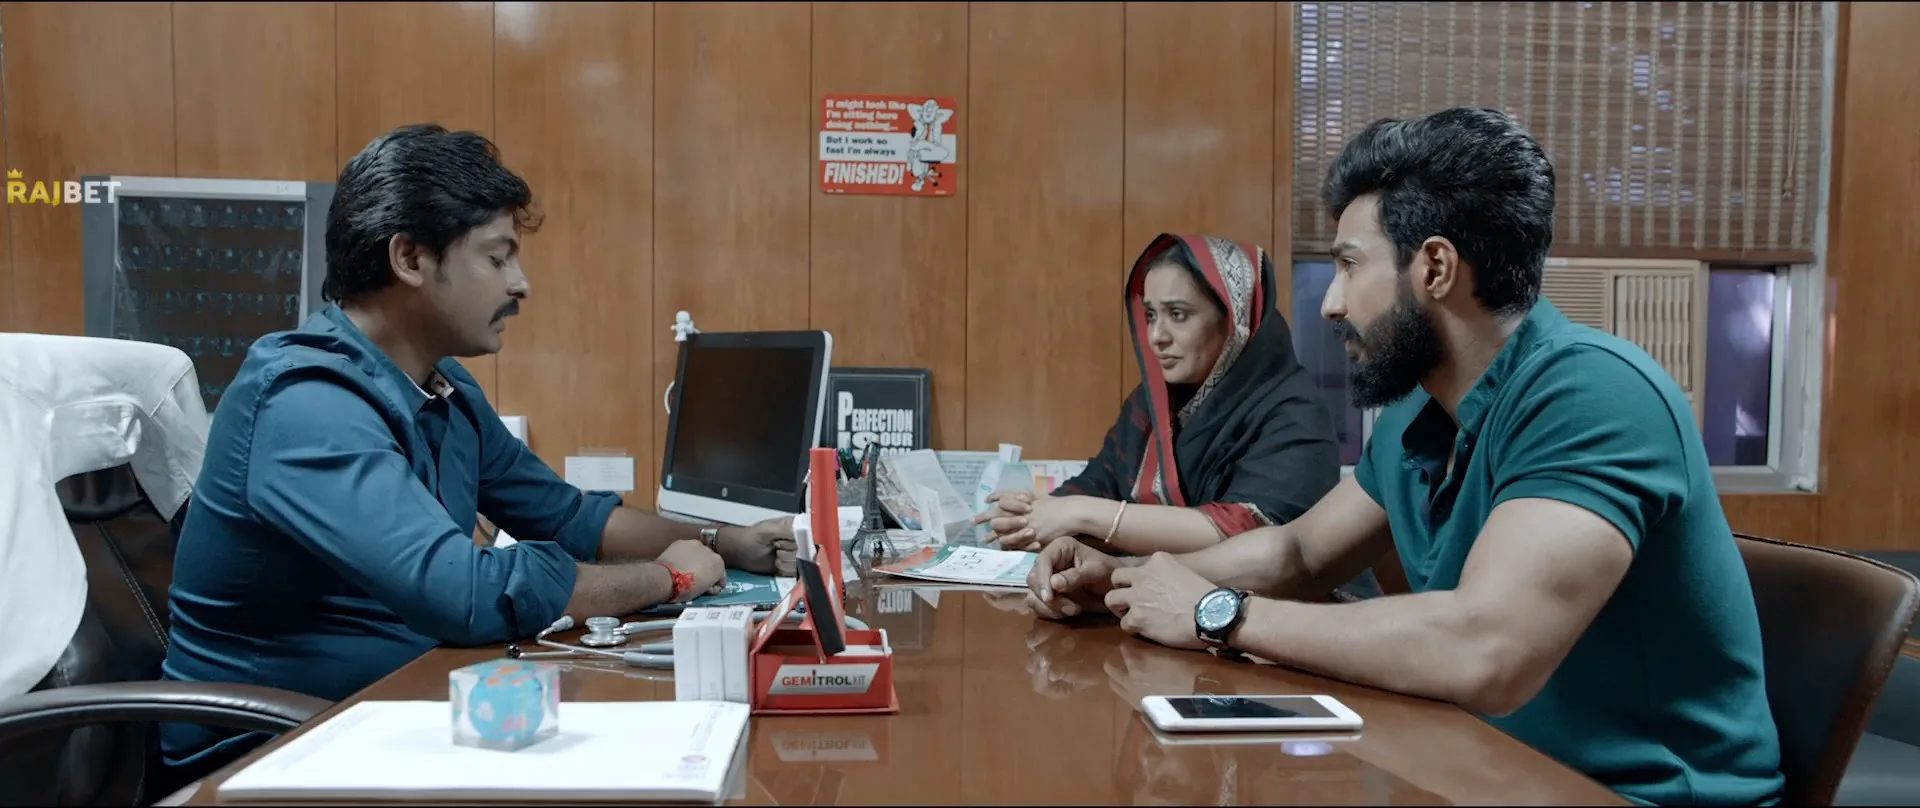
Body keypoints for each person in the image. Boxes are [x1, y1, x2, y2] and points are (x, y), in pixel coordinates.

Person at [1023, 108, 1784, 807]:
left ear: (1436, 268)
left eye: (1350, 265)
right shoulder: (1420, 412)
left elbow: (1486, 649)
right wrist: (1124, 583)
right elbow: (1299, 552)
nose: (1331, 302)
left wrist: (1216, 613)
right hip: (1479, 769)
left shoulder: (1591, 394)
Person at [159, 124, 798, 777]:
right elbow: (461, 592)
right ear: (411, 259)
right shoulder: (304, 405)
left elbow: (568, 516)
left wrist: (723, 541)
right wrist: (670, 578)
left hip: (396, 713)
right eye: (497, 259)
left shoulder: (446, 389)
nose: (520, 285)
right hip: (272, 751)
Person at [974, 234, 1344, 560]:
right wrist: (1034, 515)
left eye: (1178, 315)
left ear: (1235, 322)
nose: (1156, 336)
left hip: (1281, 611)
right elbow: (1099, 483)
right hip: (1159, 600)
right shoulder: (1152, 406)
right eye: (1151, 315)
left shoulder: (1295, 411)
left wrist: (1082, 514)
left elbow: (1250, 532)